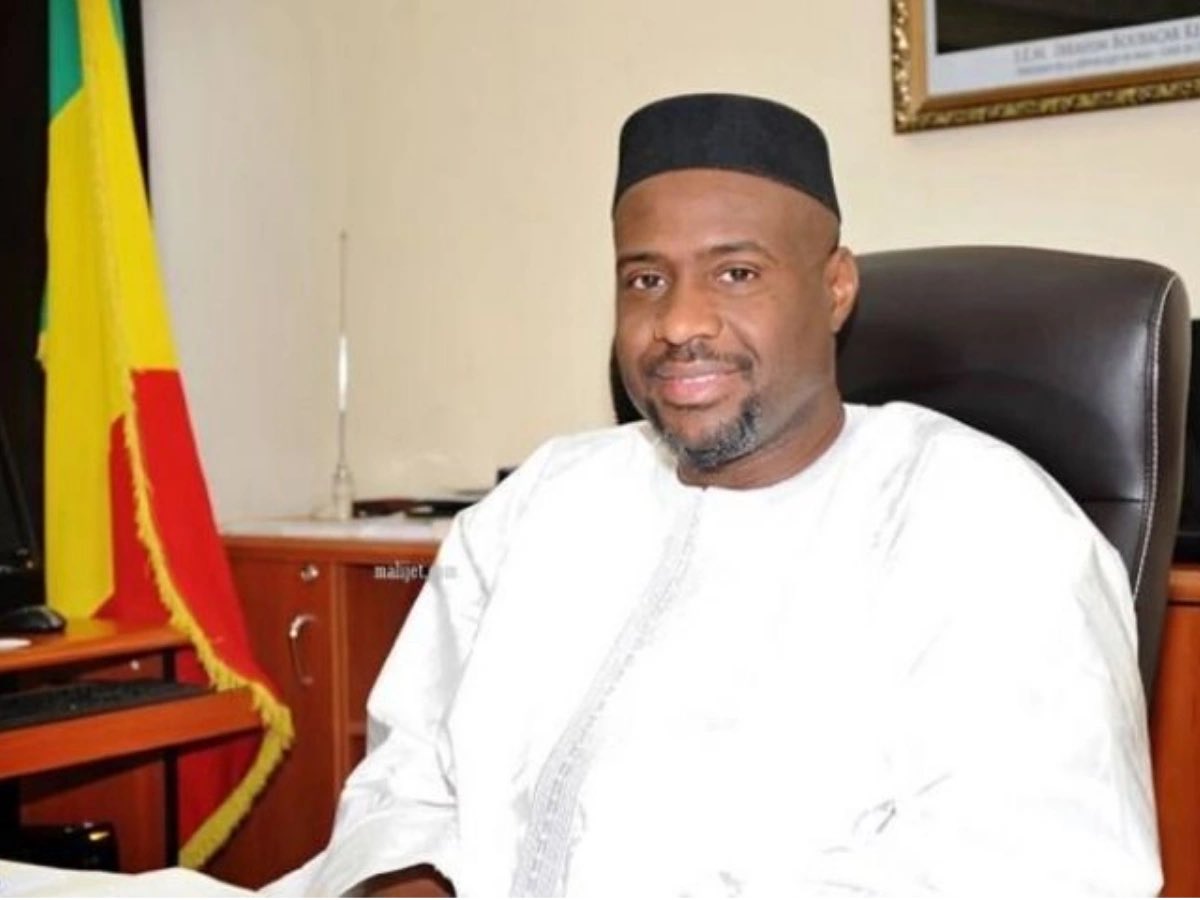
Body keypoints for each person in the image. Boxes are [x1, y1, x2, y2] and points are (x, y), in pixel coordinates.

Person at [270, 94, 1160, 896]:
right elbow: (412, 771)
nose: (679, 323)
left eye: (736, 272)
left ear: (836, 288)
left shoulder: (987, 526)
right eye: (645, 279)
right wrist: (410, 880)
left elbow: (1039, 865)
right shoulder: (546, 501)